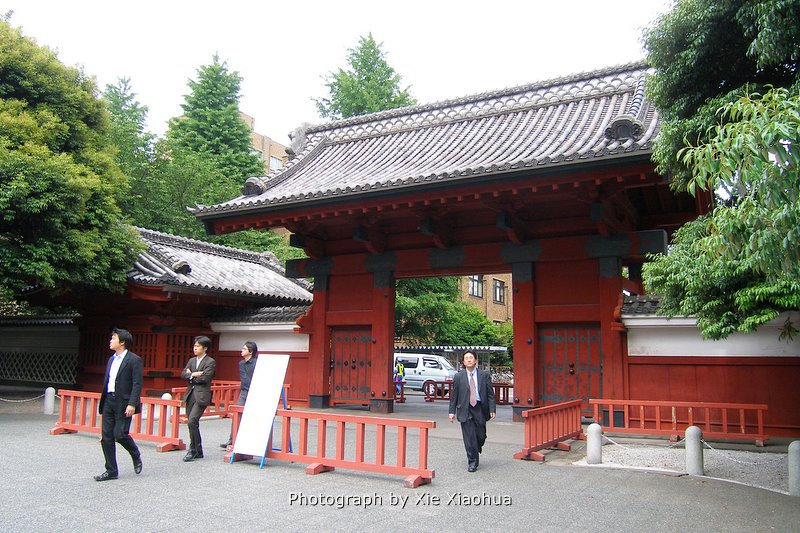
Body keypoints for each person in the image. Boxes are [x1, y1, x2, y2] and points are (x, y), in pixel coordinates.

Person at [95, 328, 143, 481]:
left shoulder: (134, 360)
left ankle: (135, 453)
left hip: (123, 402)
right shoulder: (111, 359)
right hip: (109, 399)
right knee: (106, 436)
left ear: (122, 342)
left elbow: (137, 383)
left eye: (113, 338)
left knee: (120, 434)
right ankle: (111, 470)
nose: (110, 340)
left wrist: (132, 404)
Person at [448, 351, 496, 472]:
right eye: (466, 358)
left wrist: (492, 409)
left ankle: (477, 446)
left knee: (480, 435)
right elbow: (454, 396)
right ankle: (472, 461)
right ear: (463, 362)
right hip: (465, 408)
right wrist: (451, 412)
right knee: (469, 437)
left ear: (475, 361)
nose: (469, 360)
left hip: (480, 408)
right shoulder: (459, 376)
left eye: (471, 358)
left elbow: (490, 394)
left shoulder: (484, 375)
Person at [181, 335, 216, 461]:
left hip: (201, 395)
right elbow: (183, 375)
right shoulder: (191, 361)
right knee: (192, 423)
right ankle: (198, 449)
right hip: (190, 394)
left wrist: (191, 375)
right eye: (194, 346)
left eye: (198, 346)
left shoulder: (210, 362)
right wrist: (193, 374)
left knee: (192, 420)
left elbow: (205, 378)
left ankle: (193, 449)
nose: (195, 348)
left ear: (205, 348)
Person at [220, 341, 258, 448]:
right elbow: (244, 378)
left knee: (253, 416)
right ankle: (232, 439)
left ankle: (251, 440)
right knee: (237, 414)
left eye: (244, 349)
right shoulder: (241, 363)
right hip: (244, 391)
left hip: (255, 391)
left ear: (250, 352)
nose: (242, 350)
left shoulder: (256, 363)